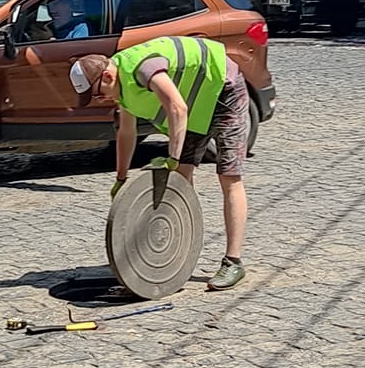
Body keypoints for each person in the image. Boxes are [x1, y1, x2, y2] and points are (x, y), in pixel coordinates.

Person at [71, 35, 250, 291]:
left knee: (229, 175)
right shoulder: (121, 87)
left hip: (224, 89)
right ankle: (174, 258)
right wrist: (120, 179)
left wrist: (173, 158)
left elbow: (177, 109)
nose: (100, 100)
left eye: (97, 94)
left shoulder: (143, 68)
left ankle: (233, 261)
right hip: (196, 103)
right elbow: (126, 133)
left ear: (108, 77)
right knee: (181, 178)